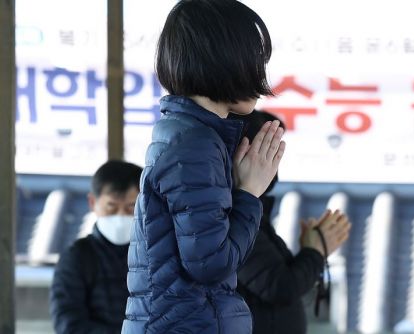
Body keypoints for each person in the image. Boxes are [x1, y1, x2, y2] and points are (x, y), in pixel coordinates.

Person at [122, 1, 284, 333]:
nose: (260, 72)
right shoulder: (196, 144)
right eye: (255, 58)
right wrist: (250, 193)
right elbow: (210, 265)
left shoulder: (190, 134)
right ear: (225, 59)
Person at [234, 111, 351, 334]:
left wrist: (314, 252)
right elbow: (279, 287)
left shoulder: (249, 210)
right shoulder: (233, 211)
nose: (274, 163)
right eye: (268, 151)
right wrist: (314, 251)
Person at [50, 160, 143, 334]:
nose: (121, 216)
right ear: (93, 203)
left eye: (131, 208)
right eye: (112, 207)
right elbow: (68, 323)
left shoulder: (154, 255)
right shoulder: (76, 257)